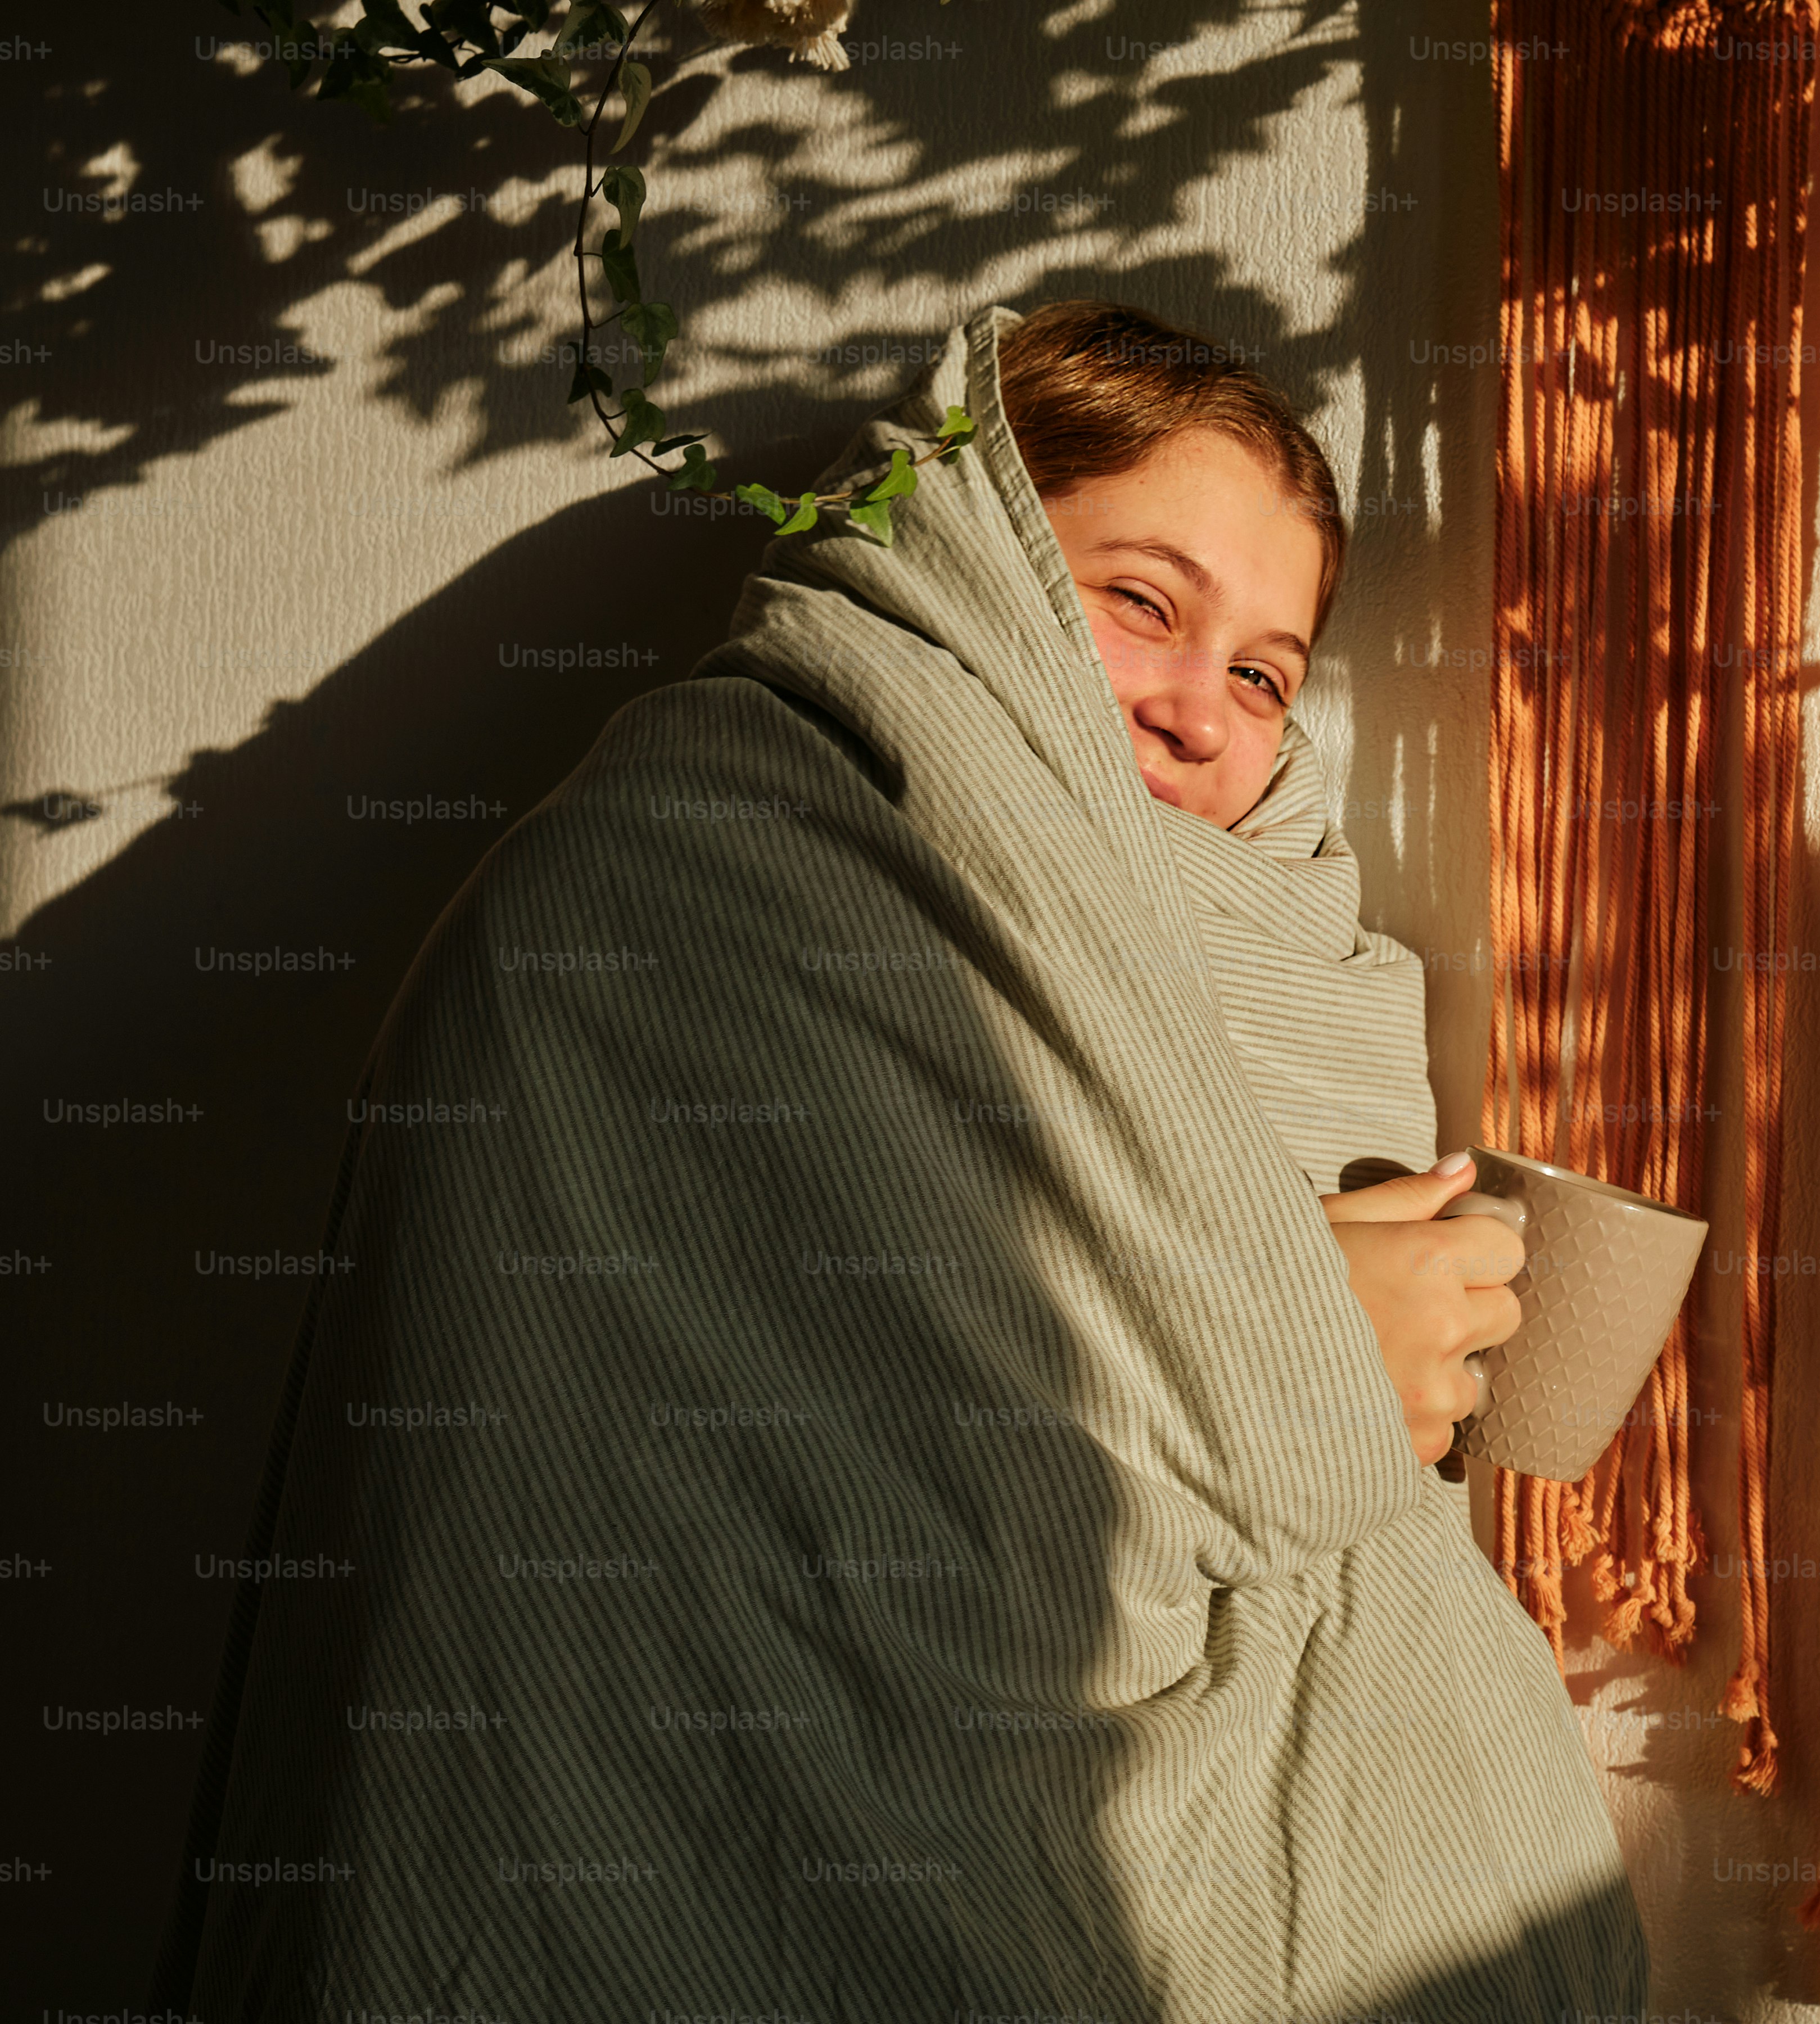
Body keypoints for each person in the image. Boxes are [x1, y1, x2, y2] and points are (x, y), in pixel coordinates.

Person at [159, 299, 1647, 2020]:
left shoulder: (1300, 958)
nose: (1201, 712)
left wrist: (1364, 1337)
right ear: (979, 572)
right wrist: (1307, 1362)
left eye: (1263, 670)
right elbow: (741, 1487)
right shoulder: (706, 859)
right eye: (1140, 605)